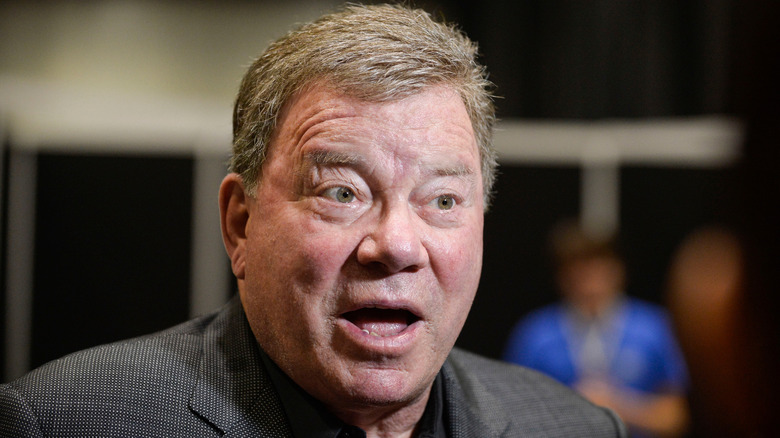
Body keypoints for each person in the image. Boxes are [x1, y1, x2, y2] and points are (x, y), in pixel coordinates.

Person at [0, 4, 626, 437]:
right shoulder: (67, 422)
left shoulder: (576, 429)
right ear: (240, 224)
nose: (397, 245)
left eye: (441, 200)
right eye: (342, 192)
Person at [503, 220, 688, 437]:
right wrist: (568, 409)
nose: (591, 283)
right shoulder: (536, 334)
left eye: (600, 269)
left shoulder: (652, 327)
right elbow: (510, 413)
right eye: (580, 271)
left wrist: (620, 407)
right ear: (562, 276)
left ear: (619, 270)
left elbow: (677, 417)